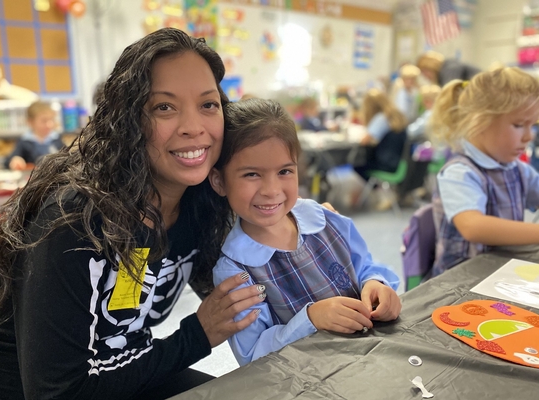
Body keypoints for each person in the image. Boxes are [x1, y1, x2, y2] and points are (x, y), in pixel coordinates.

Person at [0, 28, 267, 400]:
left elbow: (248, 289)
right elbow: (57, 393)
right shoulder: (74, 222)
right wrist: (196, 336)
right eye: (164, 107)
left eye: (208, 104)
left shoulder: (200, 203)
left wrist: (303, 236)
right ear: (129, 121)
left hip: (120, 372)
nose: (195, 127)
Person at [208, 98, 401, 366]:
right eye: (252, 174)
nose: (271, 190)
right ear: (219, 180)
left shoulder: (326, 220)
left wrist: (376, 285)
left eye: (285, 171)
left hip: (369, 363)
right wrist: (311, 319)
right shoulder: (236, 273)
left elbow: (365, 266)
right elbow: (252, 356)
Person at [429, 67, 539, 276]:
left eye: (532, 125)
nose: (529, 136)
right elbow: (473, 226)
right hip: (461, 282)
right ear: (479, 122)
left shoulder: (518, 170)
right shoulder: (459, 172)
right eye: (518, 125)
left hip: (501, 272)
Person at [354, 89, 408, 179]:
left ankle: (375, 189)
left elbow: (364, 141)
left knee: (357, 164)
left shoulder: (381, 118)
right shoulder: (397, 116)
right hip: (398, 162)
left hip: (386, 164)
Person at [4, 100, 65, 170]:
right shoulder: (25, 141)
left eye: (51, 120)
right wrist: (15, 160)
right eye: (44, 121)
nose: (49, 124)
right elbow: (10, 160)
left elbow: (67, 156)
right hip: (33, 178)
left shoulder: (56, 139)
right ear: (30, 122)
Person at [416, 50, 481, 87]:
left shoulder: (449, 69)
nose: (424, 76)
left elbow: (450, 93)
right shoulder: (447, 69)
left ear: (430, 66)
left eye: (424, 71)